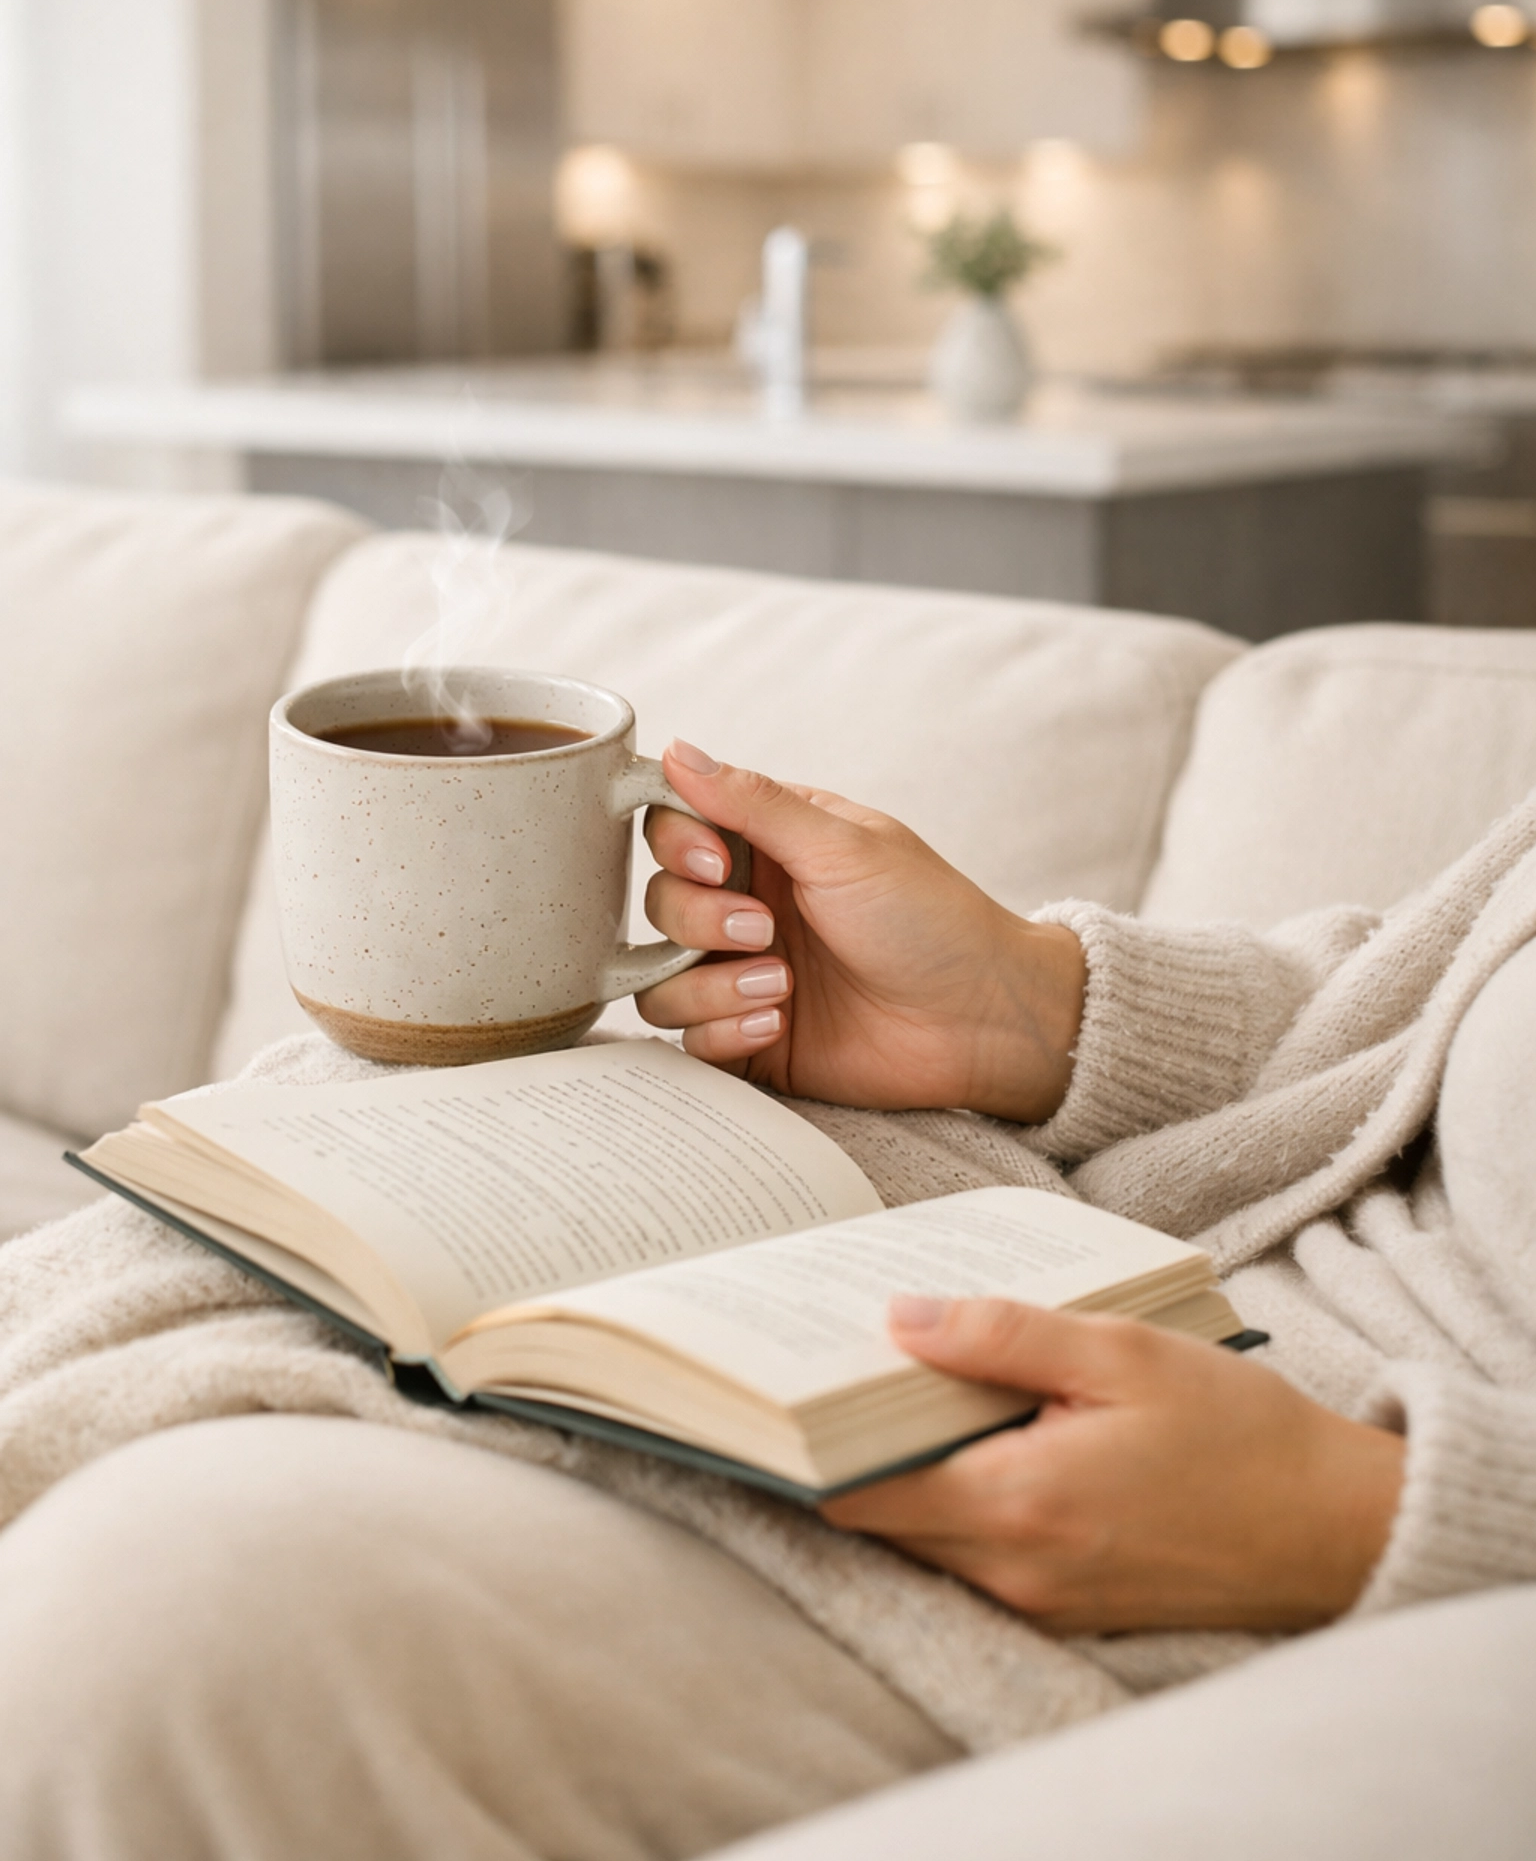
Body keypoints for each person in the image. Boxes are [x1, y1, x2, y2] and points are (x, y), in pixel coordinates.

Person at [2, 738, 1535, 1861]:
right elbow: (1450, 984)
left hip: (1262, 1491)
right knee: (333, 1123)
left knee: (165, 1627)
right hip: (1118, 1244)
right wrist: (1032, 1007)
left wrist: (1367, 1511)